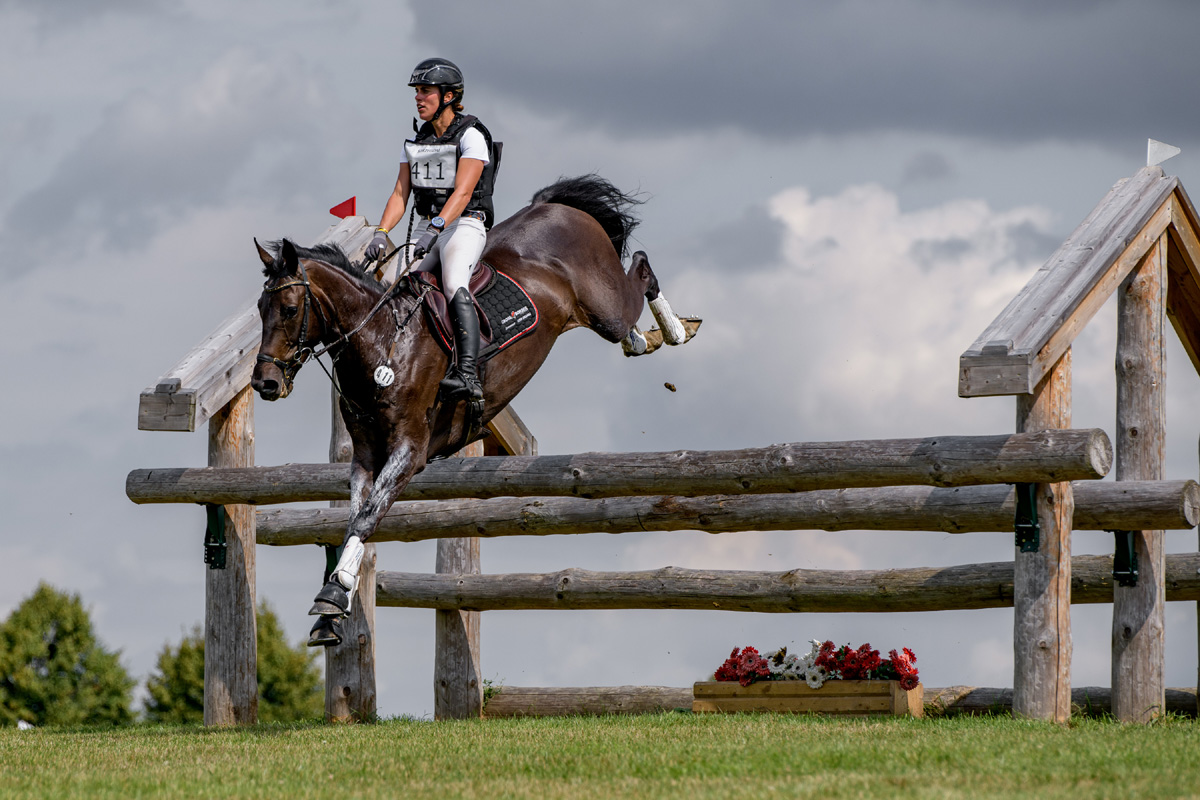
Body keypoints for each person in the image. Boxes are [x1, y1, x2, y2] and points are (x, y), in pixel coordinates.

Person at [365, 57, 499, 403]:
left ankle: (467, 373)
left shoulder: (472, 136)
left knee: (454, 282)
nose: (418, 97)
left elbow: (464, 193)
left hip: (464, 223)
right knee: (386, 287)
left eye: (425, 91)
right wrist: (381, 232)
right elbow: (400, 195)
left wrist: (437, 227)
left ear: (449, 96)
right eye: (417, 91)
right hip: (428, 226)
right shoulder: (416, 141)